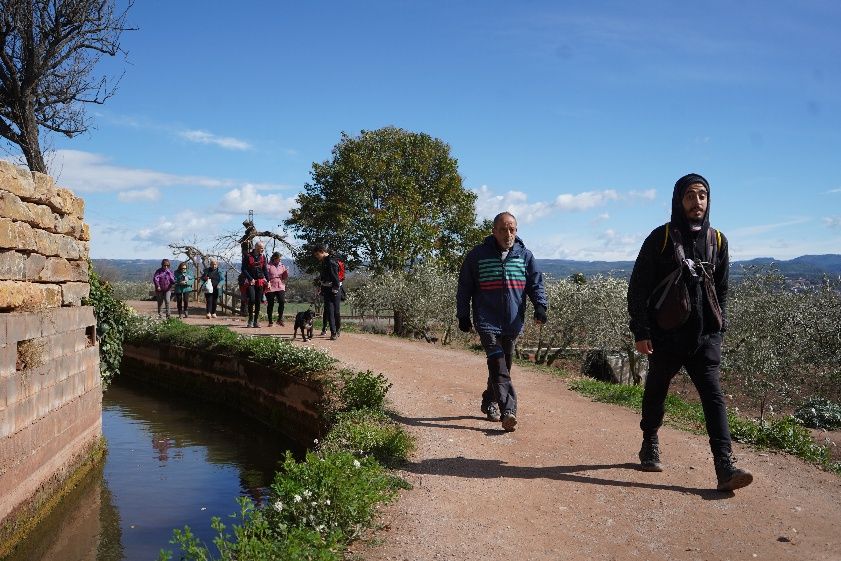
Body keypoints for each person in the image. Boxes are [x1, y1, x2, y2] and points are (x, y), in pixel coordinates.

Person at [627, 173, 753, 492]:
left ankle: (724, 467)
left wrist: (719, 329)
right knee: (656, 392)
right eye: (690, 195)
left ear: (708, 201)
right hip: (665, 338)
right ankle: (649, 439)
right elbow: (638, 288)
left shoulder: (718, 240)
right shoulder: (662, 238)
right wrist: (641, 331)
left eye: (702, 195)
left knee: (713, 398)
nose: (697, 201)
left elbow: (721, 290)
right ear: (678, 200)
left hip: (705, 339)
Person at [456, 212, 547, 432]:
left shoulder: (524, 256)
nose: (509, 234)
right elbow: (465, 287)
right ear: (494, 231)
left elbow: (535, 284)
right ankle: (509, 410)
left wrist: (540, 306)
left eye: (512, 229)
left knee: (503, 365)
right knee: (498, 363)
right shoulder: (477, 256)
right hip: (486, 320)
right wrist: (463, 315)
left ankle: (489, 401)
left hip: (512, 322)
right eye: (504, 229)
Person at [313, 244, 341, 340]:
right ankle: (333, 332)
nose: (316, 257)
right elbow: (324, 277)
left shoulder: (331, 261)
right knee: (330, 310)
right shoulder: (324, 261)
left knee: (336, 312)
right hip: (327, 289)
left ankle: (337, 330)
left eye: (317, 254)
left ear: (322, 251)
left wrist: (335, 289)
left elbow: (335, 277)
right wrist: (320, 286)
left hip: (335, 289)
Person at [242, 241, 269, 328]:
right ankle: (250, 319)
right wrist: (250, 278)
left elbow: (265, 269)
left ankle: (256, 321)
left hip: (260, 281)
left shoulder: (263, 257)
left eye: (263, 248)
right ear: (256, 247)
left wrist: (268, 280)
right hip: (250, 281)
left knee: (258, 301)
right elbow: (244, 269)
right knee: (252, 299)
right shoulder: (247, 256)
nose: (262, 250)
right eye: (261, 248)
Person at [265, 251, 289, 327]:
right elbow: (264, 276)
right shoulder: (268, 266)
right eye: (279, 259)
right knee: (271, 303)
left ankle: (280, 319)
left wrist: (286, 272)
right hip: (271, 285)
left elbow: (284, 277)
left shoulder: (282, 265)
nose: (280, 260)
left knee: (282, 301)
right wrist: (267, 282)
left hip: (280, 285)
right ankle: (270, 321)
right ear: (275, 258)